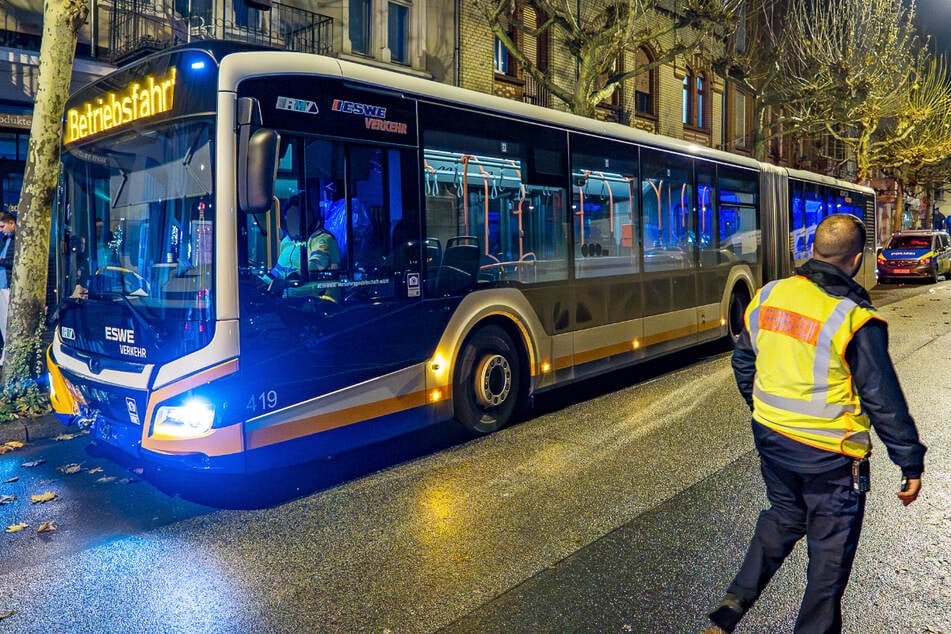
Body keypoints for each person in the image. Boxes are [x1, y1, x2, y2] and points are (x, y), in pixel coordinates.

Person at [706, 213, 927, 634]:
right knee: (828, 559)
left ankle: (734, 603)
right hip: (831, 457)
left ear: (813, 250)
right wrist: (909, 461)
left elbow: (743, 360)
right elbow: (881, 398)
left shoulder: (770, 294)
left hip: (773, 438)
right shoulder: (853, 317)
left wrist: (763, 410)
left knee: (783, 517)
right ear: (857, 259)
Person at [0, 211, 15, 365]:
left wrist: (2, 261)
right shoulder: (6, 239)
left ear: (12, 223)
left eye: (2, 226)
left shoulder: (17, 240)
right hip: (2, 285)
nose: (1, 230)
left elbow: (16, 262)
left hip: (8, 286)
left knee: (6, 322)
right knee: (2, 321)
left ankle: (8, 355)